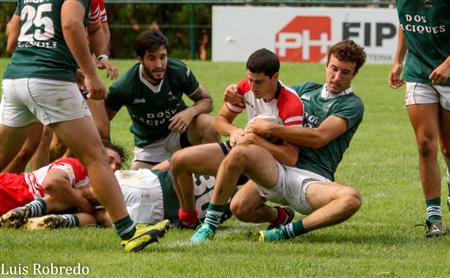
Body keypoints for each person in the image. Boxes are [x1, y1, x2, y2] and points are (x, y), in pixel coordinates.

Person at [0, 0, 168, 252]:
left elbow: (12, 36)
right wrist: (90, 73)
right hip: (50, 79)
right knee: (96, 156)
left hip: (16, 78)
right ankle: (129, 232)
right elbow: (70, 22)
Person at [190, 40, 366, 243]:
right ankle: (215, 225)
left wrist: (270, 128)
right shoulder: (306, 89)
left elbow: (318, 138)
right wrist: (234, 92)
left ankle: (287, 232)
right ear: (326, 65)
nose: (336, 77)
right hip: (275, 167)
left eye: (345, 72)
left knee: (351, 199)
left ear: (354, 75)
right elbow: (269, 89)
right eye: (334, 68)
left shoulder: (352, 104)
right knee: (240, 207)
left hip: (310, 179)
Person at [171, 48, 304, 232]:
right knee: (179, 161)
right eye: (250, 80)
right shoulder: (245, 87)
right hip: (242, 147)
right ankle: (188, 219)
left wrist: (253, 140)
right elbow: (220, 121)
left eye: (259, 82)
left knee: (239, 209)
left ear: (275, 77)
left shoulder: (291, 104)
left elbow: (290, 158)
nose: (253, 87)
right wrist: (233, 132)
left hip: (270, 165)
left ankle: (279, 216)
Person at [104, 30, 219, 169]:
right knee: (138, 187)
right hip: (149, 146)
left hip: (180, 133)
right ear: (140, 59)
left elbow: (207, 101)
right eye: (152, 58)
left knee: (211, 126)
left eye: (163, 57)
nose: (159, 64)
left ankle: (211, 182)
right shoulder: (124, 86)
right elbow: (103, 121)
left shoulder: (178, 70)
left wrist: (190, 112)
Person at [388, 1, 450, 237]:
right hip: (418, 73)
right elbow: (407, 23)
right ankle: (434, 217)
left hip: (449, 76)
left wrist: (448, 64)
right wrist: (398, 60)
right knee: (425, 145)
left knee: (448, 148)